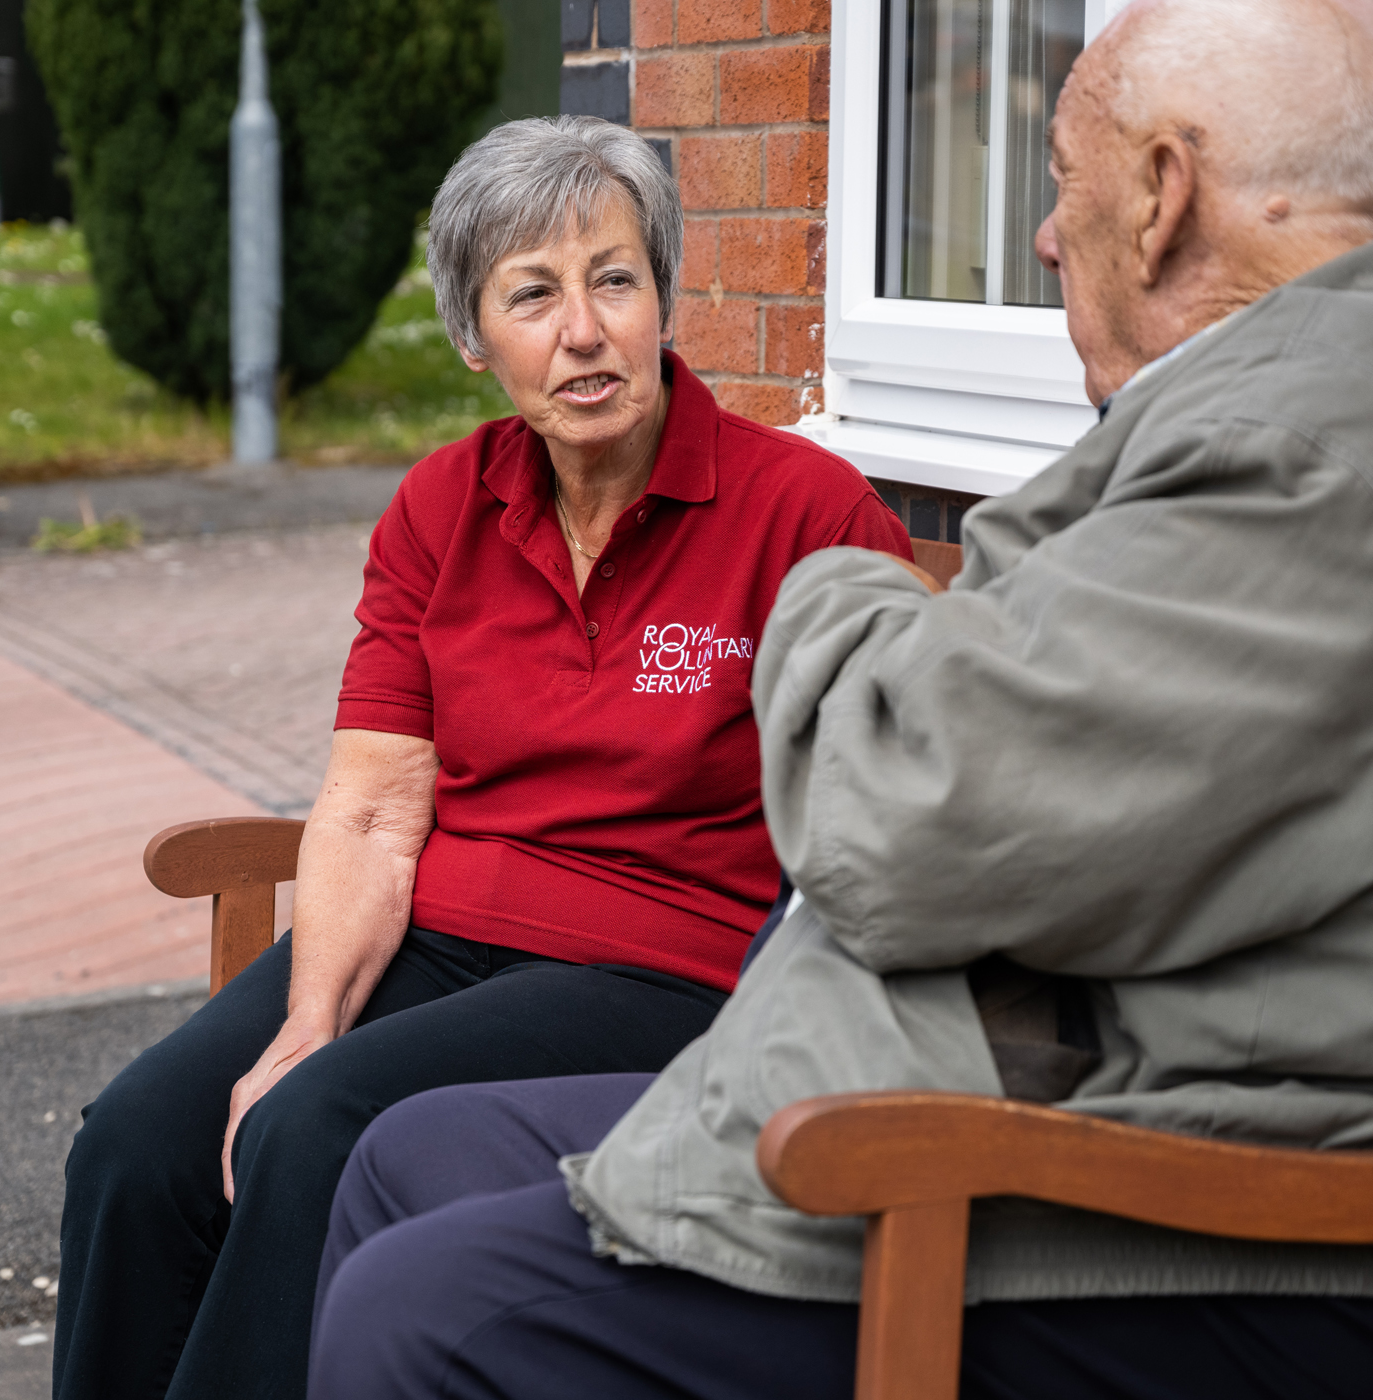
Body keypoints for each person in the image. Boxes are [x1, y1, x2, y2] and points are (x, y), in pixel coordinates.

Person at [304, 3, 1373, 1398]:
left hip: (1234, 1231)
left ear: (1165, 193)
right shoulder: (1357, 391)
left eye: (1064, 183)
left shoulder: (1308, 461)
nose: (1044, 237)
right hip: (1119, 1102)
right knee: (408, 1158)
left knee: (431, 1313)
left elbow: (892, 824)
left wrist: (835, 595)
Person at [49, 116, 911, 1400]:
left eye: (615, 279)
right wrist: (309, 1020)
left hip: (665, 960)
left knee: (312, 1126)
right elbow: (373, 808)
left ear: (662, 297)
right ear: (472, 337)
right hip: (439, 938)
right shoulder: (441, 507)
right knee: (136, 1141)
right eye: (533, 293)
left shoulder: (806, 513)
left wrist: (313, 1070)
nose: (584, 330)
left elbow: (888, 809)